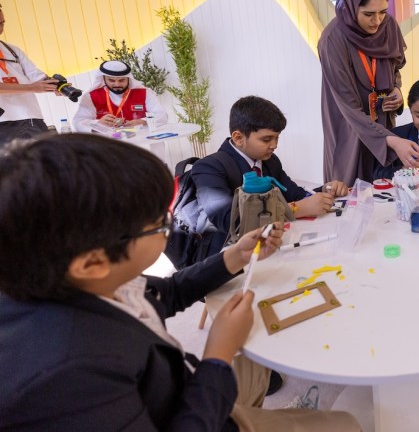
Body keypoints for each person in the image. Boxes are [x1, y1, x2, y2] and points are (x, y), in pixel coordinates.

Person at [0, 134, 361, 431]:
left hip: (182, 380)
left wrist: (233, 255)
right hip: (193, 412)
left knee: (257, 348)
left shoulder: (68, 276)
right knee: (345, 423)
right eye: (160, 225)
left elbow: (164, 292)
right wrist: (217, 354)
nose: (168, 229)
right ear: (93, 261)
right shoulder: (67, 376)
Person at [191, 96, 348, 259]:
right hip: (228, 257)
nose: (274, 145)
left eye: (276, 138)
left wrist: (324, 191)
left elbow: (293, 193)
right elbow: (230, 220)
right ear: (238, 138)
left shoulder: (269, 161)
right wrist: (296, 209)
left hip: (269, 246)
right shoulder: (209, 167)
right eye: (267, 139)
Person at [319, 0, 419, 184]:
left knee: (385, 189)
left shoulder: (388, 26)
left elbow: (396, 64)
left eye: (383, 12)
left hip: (382, 119)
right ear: (351, 5)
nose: (377, 21)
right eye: (368, 14)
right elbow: (349, 107)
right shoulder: (333, 40)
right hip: (349, 126)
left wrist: (396, 88)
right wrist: (392, 141)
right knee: (351, 193)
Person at [0, 3, 60, 146]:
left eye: (2, 23)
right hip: (4, 123)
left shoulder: (12, 50)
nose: (1, 29)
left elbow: (36, 76)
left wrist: (56, 86)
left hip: (32, 118)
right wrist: (33, 88)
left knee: (49, 163)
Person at [72, 59, 167, 132]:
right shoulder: (91, 97)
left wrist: (142, 121)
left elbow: (162, 116)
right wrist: (98, 123)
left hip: (142, 145)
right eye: (111, 80)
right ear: (104, 79)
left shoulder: (144, 93)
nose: (117, 84)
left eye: (121, 80)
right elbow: (78, 122)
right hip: (108, 147)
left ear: (128, 79)